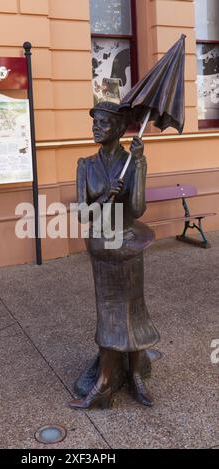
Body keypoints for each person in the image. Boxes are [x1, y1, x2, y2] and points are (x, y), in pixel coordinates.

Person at [69, 101, 160, 410]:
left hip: (129, 241)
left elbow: (136, 209)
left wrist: (140, 164)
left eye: (104, 123)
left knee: (134, 309)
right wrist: (106, 195)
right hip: (102, 246)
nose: (96, 128)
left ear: (120, 129)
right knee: (108, 310)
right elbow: (82, 214)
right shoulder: (86, 165)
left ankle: (135, 374)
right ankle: (105, 380)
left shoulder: (131, 162)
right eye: (95, 122)